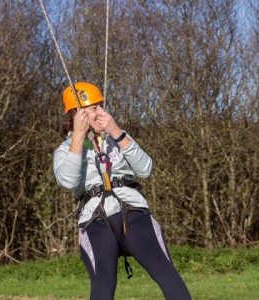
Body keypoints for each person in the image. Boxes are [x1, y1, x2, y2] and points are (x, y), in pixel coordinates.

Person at [53, 82, 192, 300]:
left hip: (133, 212)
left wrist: (117, 131)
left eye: (101, 106)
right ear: (75, 115)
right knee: (104, 279)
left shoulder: (116, 139)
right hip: (95, 220)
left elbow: (145, 169)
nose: (101, 113)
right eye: (94, 109)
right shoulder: (64, 151)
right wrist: (79, 137)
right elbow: (68, 182)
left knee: (163, 268)